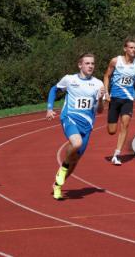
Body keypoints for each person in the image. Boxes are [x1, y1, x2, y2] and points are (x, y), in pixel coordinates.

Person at [46, 53, 105, 200]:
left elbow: (100, 110)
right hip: (69, 118)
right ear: (80, 65)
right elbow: (54, 89)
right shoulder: (70, 79)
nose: (90, 66)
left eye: (92, 63)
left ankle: (58, 185)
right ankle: (63, 168)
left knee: (75, 161)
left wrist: (101, 99)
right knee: (76, 143)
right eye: (87, 63)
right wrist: (49, 108)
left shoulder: (98, 84)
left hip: (87, 126)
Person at [103, 37, 135, 165]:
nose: (133, 50)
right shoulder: (115, 61)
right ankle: (111, 123)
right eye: (131, 47)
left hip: (128, 99)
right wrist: (106, 92)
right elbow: (106, 76)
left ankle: (117, 154)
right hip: (114, 98)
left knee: (125, 124)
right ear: (125, 48)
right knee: (111, 131)